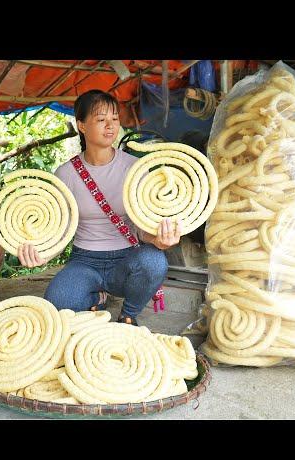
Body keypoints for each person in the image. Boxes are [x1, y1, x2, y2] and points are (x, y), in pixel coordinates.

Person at [17, 90, 182, 325]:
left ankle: (128, 315)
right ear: (81, 125)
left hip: (127, 259)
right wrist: (41, 254)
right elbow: (60, 231)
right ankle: (96, 295)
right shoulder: (65, 174)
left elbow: (141, 228)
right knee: (58, 301)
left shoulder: (134, 168)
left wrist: (157, 240)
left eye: (114, 119)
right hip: (84, 260)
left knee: (154, 261)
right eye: (101, 119)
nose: (110, 126)